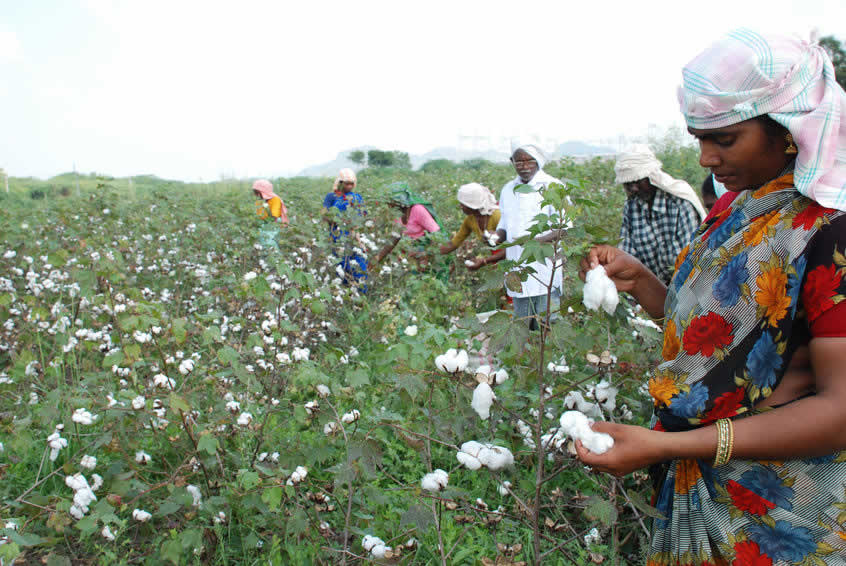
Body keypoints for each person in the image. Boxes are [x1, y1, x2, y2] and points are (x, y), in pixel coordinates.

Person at [576, 30, 846, 565]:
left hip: (783, 513)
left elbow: (841, 409)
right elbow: (721, 337)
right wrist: (644, 284)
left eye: (725, 139)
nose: (705, 157)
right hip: (704, 480)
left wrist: (671, 446)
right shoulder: (734, 210)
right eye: (699, 137)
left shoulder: (830, 231)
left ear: (790, 130)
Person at [494, 142, 566, 330]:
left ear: (538, 161)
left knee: (547, 325)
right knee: (521, 326)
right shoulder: (508, 189)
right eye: (519, 162)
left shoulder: (553, 186)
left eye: (529, 161)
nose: (524, 166)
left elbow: (564, 227)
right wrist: (496, 237)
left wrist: (536, 242)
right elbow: (504, 223)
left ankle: (551, 358)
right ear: (512, 162)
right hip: (518, 267)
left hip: (545, 267)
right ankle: (526, 358)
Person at [615, 145, 707, 285]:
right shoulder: (632, 207)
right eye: (628, 184)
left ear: (651, 177)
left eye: (638, 182)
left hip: (686, 286)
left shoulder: (680, 204)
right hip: (650, 289)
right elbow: (627, 252)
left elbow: (689, 259)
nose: (634, 188)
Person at [438, 182, 505, 270]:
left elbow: (513, 247)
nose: (460, 206)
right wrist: (430, 253)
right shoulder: (470, 220)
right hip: (499, 260)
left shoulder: (497, 216)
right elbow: (454, 243)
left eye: (463, 204)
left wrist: (484, 261)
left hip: (516, 259)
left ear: (473, 204)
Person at [374, 181, 443, 264]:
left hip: (426, 249)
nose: (389, 205)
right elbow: (395, 237)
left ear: (400, 200)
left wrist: (426, 254)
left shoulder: (418, 210)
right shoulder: (397, 214)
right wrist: (378, 258)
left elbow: (436, 233)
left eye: (391, 201)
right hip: (412, 252)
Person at [323, 168, 367, 286]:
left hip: (354, 235)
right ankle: (345, 289)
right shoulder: (332, 197)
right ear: (340, 183)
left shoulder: (357, 197)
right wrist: (337, 219)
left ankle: (359, 289)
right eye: (347, 183)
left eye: (352, 183)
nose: (350, 186)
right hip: (338, 235)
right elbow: (324, 215)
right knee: (341, 264)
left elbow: (362, 215)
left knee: (357, 262)